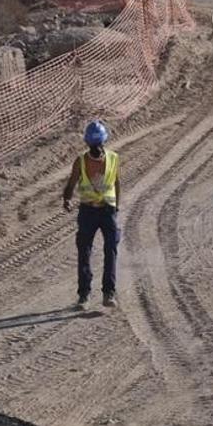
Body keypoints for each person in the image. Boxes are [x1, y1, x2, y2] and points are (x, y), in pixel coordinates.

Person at [62, 120, 121, 309]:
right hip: (91, 211)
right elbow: (71, 183)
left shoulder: (112, 158)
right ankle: (89, 295)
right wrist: (67, 199)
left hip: (104, 211)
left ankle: (103, 294)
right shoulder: (82, 161)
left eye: (97, 144)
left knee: (105, 250)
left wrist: (116, 206)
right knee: (89, 252)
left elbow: (117, 182)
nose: (96, 147)